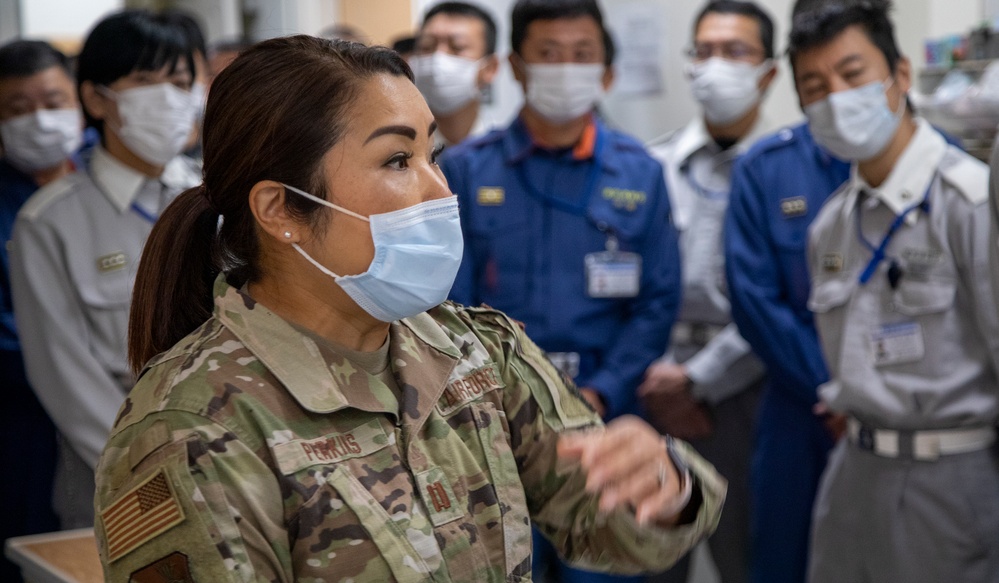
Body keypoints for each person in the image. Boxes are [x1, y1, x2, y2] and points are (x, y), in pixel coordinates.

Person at [92, 35, 725, 582]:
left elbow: (608, 531)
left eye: (433, 156)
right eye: (398, 159)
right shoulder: (194, 427)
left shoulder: (477, 353)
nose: (439, 189)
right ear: (280, 209)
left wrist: (661, 485)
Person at [442, 1, 682, 581]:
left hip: (602, 425)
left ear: (606, 73)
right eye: (548, 54)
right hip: (491, 425)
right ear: (517, 68)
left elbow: (656, 304)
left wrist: (599, 392)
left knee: (602, 566)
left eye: (581, 55)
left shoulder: (639, 172)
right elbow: (449, 306)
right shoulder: (468, 168)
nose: (564, 69)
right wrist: (500, 401)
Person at [787, 2, 999, 581]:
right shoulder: (830, 225)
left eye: (852, 74)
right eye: (815, 85)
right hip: (853, 474)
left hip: (952, 481)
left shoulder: (972, 203)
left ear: (900, 76)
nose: (835, 97)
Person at [10, 9, 201, 530]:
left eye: (180, 81)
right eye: (145, 81)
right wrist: (153, 467)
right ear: (97, 98)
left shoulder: (220, 200)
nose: (167, 97)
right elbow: (65, 376)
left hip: (239, 462)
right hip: (120, 482)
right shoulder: (50, 222)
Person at [640, 2, 775, 582]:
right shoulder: (652, 165)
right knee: (650, 554)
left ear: (769, 72)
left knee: (748, 556)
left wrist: (701, 379)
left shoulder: (782, 172)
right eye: (705, 51)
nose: (716, 66)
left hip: (750, 386)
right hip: (653, 385)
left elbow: (781, 300)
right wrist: (667, 379)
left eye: (736, 52)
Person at [0, 38, 80, 582]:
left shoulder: (106, 180)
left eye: (52, 101)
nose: (40, 120)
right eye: (18, 109)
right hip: (20, 420)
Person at [411, 2, 500, 146]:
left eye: (457, 47)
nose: (438, 57)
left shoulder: (504, 151)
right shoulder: (398, 151)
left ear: (490, 68)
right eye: (427, 46)